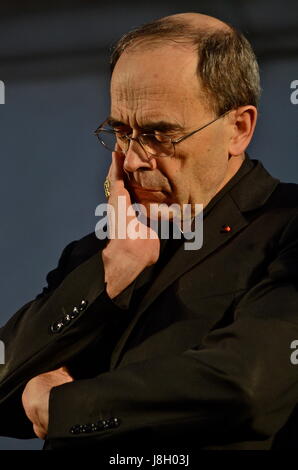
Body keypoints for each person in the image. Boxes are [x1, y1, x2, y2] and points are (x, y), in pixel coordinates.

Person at [0, 12, 298, 451]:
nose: (135, 159)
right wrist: (111, 274)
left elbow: (246, 386)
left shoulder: (287, 225)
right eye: (122, 131)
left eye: (161, 135)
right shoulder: (99, 251)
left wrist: (66, 406)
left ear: (239, 128)